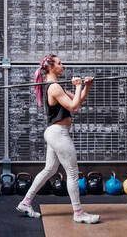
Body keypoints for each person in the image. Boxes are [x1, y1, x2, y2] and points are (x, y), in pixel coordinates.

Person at [16, 54, 100, 224]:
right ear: (50, 67)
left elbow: (77, 100)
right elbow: (74, 107)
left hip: (55, 132)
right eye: (59, 63)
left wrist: (86, 87)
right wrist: (78, 86)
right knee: (72, 173)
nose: (63, 65)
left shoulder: (56, 86)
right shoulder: (54, 87)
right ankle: (78, 213)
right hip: (58, 133)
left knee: (50, 169)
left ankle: (26, 202)